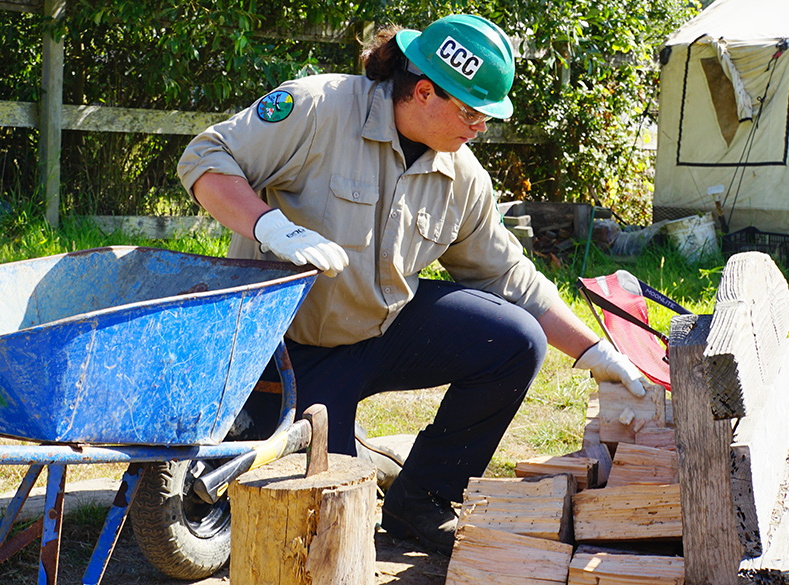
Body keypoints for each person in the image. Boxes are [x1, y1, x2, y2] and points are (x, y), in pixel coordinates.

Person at [177, 14, 646, 555]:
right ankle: (335, 444)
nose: (480, 128)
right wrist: (269, 225)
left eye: (488, 116)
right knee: (279, 519)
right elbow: (205, 159)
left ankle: (421, 500)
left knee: (514, 340)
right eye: (472, 112)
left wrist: (594, 351)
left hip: (376, 336)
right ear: (424, 91)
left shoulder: (462, 175)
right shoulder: (317, 108)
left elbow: (506, 275)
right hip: (281, 353)